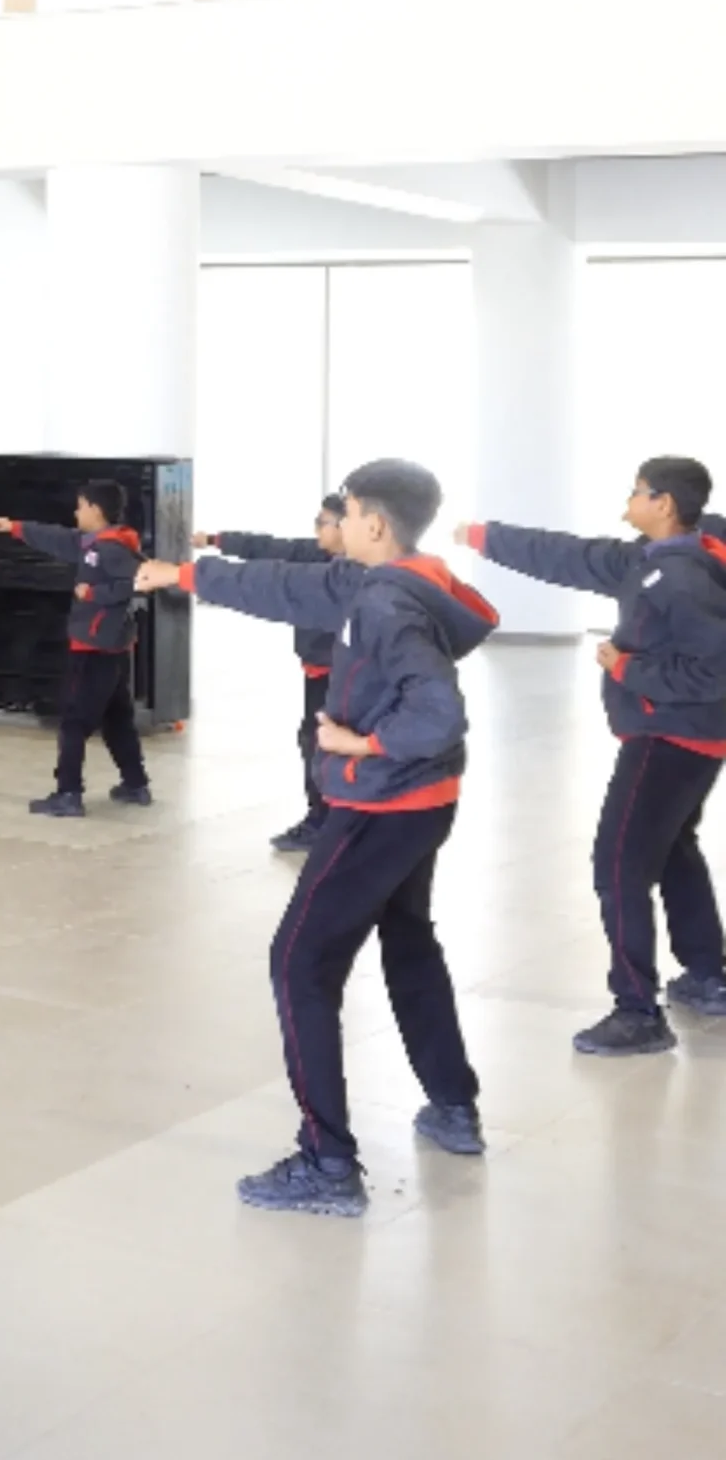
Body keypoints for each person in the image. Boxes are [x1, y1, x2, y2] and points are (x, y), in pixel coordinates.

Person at [139, 458, 494, 1218]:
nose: (337, 524)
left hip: (383, 805)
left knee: (299, 962)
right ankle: (453, 1106)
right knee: (408, 939)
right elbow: (287, 586)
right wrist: (187, 574)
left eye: (347, 512)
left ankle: (328, 1162)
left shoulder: (385, 603)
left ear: (375, 524)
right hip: (421, 802)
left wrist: (359, 745)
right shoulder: (401, 580)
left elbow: (438, 712)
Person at [458, 456, 726, 1055]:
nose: (627, 502)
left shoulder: (679, 579)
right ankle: (709, 975)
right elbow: (567, 556)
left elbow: (713, 671)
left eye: (636, 492)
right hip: (690, 736)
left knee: (618, 864)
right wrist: (483, 536)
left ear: (664, 504)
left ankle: (638, 1012)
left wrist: (627, 667)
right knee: (672, 846)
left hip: (670, 737)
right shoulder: (660, 559)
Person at [192, 495, 347, 853]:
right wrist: (215, 540)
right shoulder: (313, 555)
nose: (316, 529)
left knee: (323, 744)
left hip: (345, 676)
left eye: (322, 522)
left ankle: (326, 823)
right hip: (317, 671)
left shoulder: (364, 572)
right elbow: (266, 548)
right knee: (314, 742)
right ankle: (324, 819)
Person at [0, 480, 151, 818]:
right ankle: (135, 783)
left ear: (95, 509)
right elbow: (58, 538)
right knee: (116, 717)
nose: (76, 512)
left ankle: (68, 793)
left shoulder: (109, 549)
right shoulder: (95, 543)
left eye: (80, 506)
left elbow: (139, 582)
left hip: (94, 648)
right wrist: (17, 528)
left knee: (73, 720)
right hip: (110, 648)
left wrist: (93, 594)